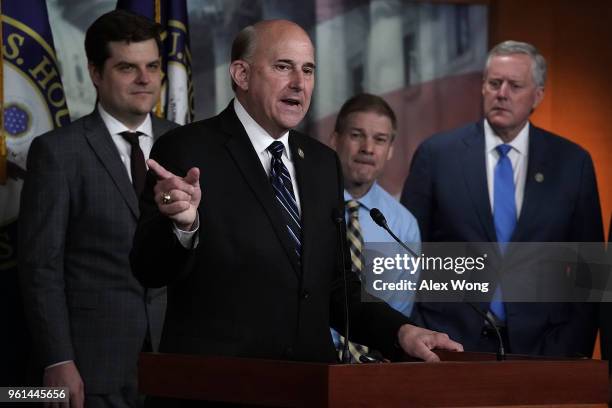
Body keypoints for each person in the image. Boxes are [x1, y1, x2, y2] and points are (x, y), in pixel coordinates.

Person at [131, 20, 462, 371]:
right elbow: (148, 269)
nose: (299, 83)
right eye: (283, 67)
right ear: (241, 75)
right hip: (223, 383)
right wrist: (183, 227)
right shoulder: (186, 150)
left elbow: (336, 287)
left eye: (308, 70)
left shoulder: (322, 163)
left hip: (311, 384)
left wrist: (400, 332)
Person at [401, 40, 603, 357]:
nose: (502, 93)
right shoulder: (437, 155)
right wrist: (414, 329)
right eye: (494, 83)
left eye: (515, 85)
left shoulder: (572, 163)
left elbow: (589, 271)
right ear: (483, 88)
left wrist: (571, 346)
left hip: (542, 349)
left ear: (538, 94)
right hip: (448, 344)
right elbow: (405, 252)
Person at [19, 10, 176, 407]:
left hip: (176, 359)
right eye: (128, 67)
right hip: (92, 369)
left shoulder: (183, 146)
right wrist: (58, 358)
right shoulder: (58, 153)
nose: (145, 79)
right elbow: (41, 266)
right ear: (95, 72)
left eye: (153, 66)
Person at [329, 93, 421, 361]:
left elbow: (399, 313)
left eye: (379, 140)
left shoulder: (403, 225)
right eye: (357, 135)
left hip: (375, 369)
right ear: (335, 139)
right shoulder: (304, 204)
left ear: (390, 149)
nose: (368, 148)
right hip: (309, 364)